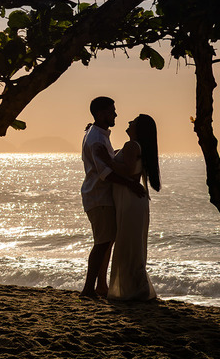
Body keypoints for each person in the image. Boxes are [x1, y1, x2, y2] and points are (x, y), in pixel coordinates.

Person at [80, 96, 146, 298]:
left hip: (101, 196)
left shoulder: (99, 134)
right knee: (102, 243)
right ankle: (88, 289)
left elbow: (108, 163)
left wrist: (115, 155)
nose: (115, 114)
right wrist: (131, 184)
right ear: (101, 114)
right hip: (99, 196)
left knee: (106, 242)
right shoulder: (97, 139)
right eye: (112, 111)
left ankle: (100, 285)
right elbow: (105, 173)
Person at [108, 113, 161, 301]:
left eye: (133, 121)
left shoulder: (131, 145)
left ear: (138, 128)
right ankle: (134, 288)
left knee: (128, 246)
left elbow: (129, 171)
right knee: (132, 246)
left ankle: (132, 291)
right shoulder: (139, 147)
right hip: (134, 201)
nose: (129, 122)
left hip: (130, 200)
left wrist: (106, 161)